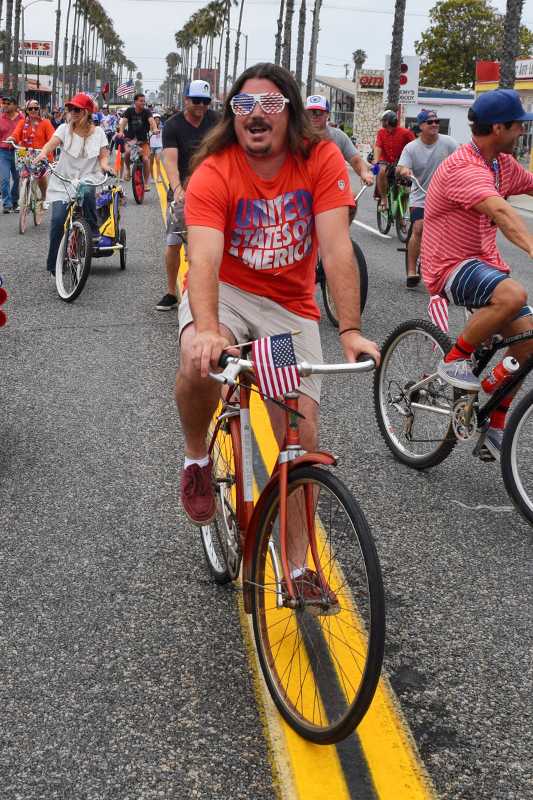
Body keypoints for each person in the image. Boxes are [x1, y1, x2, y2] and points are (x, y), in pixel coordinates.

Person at [175, 62, 380, 534]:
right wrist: (206, 330)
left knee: (299, 435)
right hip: (226, 294)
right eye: (244, 105)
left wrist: (349, 329)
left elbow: (336, 248)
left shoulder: (320, 159)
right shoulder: (214, 170)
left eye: (269, 103)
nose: (256, 113)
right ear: (233, 116)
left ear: (289, 112)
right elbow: (203, 260)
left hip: (288, 308)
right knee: (196, 358)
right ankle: (196, 459)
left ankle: (297, 569)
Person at [421, 89, 533, 459]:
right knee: (514, 295)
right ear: (498, 127)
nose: (522, 132)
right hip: (450, 266)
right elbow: (501, 213)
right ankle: (455, 359)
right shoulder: (465, 168)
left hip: (484, 264)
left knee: (529, 343)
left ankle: (494, 425)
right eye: (519, 126)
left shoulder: (500, 164)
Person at [34, 93, 114, 276]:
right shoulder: (63, 129)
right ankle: (54, 264)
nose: (72, 112)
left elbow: (103, 156)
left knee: (86, 190)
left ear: (87, 112)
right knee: (57, 221)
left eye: (77, 109)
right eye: (70, 109)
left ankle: (92, 230)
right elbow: (51, 144)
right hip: (64, 180)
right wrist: (42, 154)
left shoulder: (99, 133)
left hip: (88, 177)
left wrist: (105, 166)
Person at [156, 79, 218, 311]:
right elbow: (170, 160)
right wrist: (178, 190)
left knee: (211, 243)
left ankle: (210, 291)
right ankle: (172, 292)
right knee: (174, 242)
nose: (201, 106)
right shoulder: (173, 125)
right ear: (186, 100)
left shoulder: (216, 121)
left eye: (205, 102)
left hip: (213, 188)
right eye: (196, 101)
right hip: (183, 188)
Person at [396, 109, 457, 288]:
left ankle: (448, 270)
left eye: (437, 121)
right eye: (430, 122)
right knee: (418, 228)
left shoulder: (449, 143)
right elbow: (401, 167)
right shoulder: (412, 148)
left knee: (451, 233)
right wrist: (405, 170)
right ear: (421, 126)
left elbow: (464, 159)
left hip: (445, 197)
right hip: (421, 196)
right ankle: (411, 271)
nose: (435, 124)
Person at [305, 95, 373, 190]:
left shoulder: (338, 136)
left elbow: (356, 160)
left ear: (327, 114)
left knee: (352, 198)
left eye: (318, 112)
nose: (314, 116)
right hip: (304, 186)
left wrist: (364, 173)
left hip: (331, 185)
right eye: (310, 113)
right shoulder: (297, 136)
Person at [10, 100, 56, 206]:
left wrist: (48, 147)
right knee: (23, 173)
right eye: (31, 109)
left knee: (41, 176)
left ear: (39, 109)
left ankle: (44, 196)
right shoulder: (22, 123)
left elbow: (52, 138)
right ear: (26, 111)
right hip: (25, 153)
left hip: (41, 154)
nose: (33, 110)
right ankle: (24, 194)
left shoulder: (45, 122)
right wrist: (12, 138)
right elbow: (16, 133)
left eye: (36, 108)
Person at [373, 110, 415, 209]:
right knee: (381, 171)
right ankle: (383, 198)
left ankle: (400, 216)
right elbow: (378, 147)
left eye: (383, 120)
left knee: (403, 188)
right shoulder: (381, 133)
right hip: (386, 161)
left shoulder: (405, 133)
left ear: (387, 122)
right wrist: (376, 162)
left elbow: (415, 146)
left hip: (401, 162)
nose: (382, 123)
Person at [116, 93, 157, 185]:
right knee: (126, 153)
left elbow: (152, 121)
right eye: (141, 101)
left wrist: (155, 129)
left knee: (146, 160)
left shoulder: (147, 112)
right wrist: (121, 131)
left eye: (144, 101)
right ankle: (127, 170)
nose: (143, 102)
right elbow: (123, 122)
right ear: (135, 102)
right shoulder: (129, 111)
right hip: (130, 140)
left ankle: (146, 182)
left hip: (143, 141)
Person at [0, 96, 23, 214]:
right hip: (3, 151)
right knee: (4, 179)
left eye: (7, 103)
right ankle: (7, 204)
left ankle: (15, 201)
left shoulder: (22, 118)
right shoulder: (1, 118)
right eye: (3, 103)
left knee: (17, 177)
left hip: (19, 151)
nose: (5, 105)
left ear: (14, 105)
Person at [149, 113, 163, 183]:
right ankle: (152, 177)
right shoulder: (148, 128)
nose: (157, 121)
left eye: (158, 120)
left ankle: (159, 176)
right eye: (156, 120)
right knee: (151, 162)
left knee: (158, 161)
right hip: (151, 147)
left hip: (159, 146)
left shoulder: (161, 127)